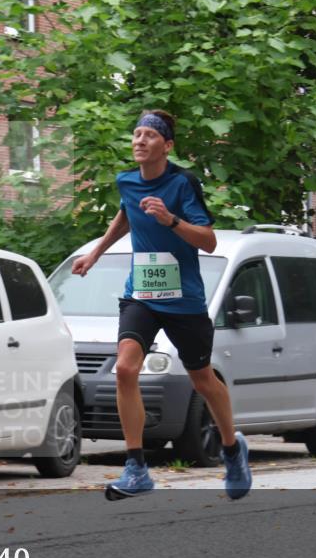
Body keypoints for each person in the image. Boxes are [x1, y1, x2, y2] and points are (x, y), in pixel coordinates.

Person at [71, 109, 252, 501]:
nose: (140, 140)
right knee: (124, 369)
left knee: (203, 380)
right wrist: (96, 253)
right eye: (136, 134)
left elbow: (208, 241)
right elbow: (126, 213)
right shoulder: (126, 181)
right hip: (142, 294)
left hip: (183, 299)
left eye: (149, 135)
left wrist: (171, 220)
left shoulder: (183, 183)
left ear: (167, 145)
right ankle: (137, 469)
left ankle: (231, 449)